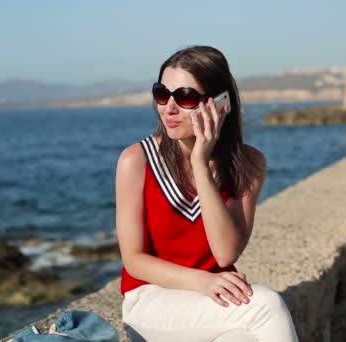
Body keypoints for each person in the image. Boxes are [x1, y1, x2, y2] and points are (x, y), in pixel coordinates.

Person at [115, 46, 298, 342]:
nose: (169, 108)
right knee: (266, 306)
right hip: (149, 301)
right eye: (162, 94)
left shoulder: (248, 164)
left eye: (185, 97)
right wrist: (201, 281)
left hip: (212, 300)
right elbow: (134, 259)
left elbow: (225, 252)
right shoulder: (135, 161)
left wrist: (200, 162)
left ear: (219, 104)